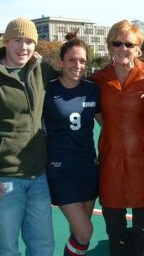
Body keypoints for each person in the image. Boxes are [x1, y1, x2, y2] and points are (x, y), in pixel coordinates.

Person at [0, 17, 57, 256]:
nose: (23, 47)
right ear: (6, 41)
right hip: (3, 180)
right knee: (7, 249)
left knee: (43, 246)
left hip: (38, 176)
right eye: (17, 40)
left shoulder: (41, 70)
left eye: (29, 42)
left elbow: (70, 81)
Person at [90, 19, 144, 256]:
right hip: (111, 161)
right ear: (109, 46)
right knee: (115, 229)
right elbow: (98, 114)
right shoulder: (98, 79)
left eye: (129, 44)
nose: (123, 49)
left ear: (138, 48)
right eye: (117, 43)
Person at [43, 32, 101, 256]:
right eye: (72, 60)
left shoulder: (92, 89)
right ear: (61, 62)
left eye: (82, 60)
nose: (78, 65)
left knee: (78, 232)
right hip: (61, 170)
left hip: (88, 167)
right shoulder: (48, 90)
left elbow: (107, 124)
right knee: (85, 231)